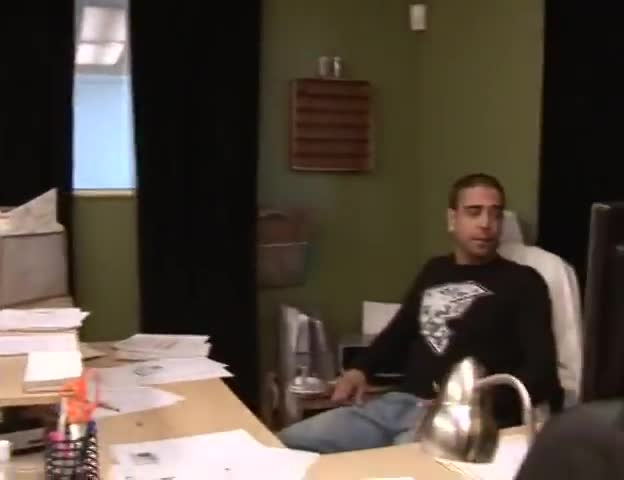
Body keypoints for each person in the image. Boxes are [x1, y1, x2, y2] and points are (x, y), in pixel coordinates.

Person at [278, 173, 562, 453]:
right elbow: (398, 333)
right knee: (285, 442)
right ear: (452, 219)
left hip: (457, 420)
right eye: (474, 212)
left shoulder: (524, 282)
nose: (486, 223)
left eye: (495, 214)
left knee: (398, 469)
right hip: (397, 405)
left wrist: (474, 404)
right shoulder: (435, 270)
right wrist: (359, 370)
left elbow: (542, 372)